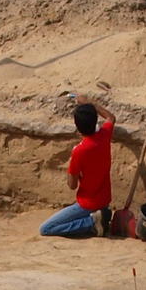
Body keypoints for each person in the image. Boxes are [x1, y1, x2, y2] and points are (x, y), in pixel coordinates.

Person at [40, 98, 116, 238]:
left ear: (77, 126)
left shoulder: (79, 151)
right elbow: (110, 117)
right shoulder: (104, 135)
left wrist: (72, 166)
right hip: (104, 199)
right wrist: (89, 103)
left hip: (87, 204)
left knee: (46, 228)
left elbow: (72, 185)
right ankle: (99, 217)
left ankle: (91, 223)